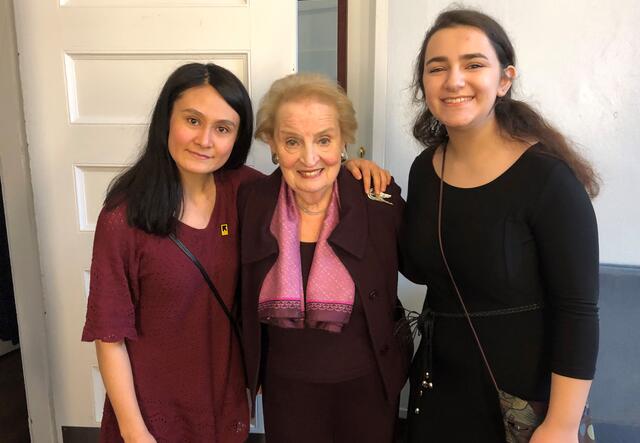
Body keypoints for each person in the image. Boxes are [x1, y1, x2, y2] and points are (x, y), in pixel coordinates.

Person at [81, 63, 387, 443]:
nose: (205, 140)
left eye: (222, 128)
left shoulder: (246, 193)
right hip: (152, 409)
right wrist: (133, 430)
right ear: (166, 121)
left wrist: (351, 168)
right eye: (192, 120)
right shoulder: (124, 218)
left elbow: (309, 178)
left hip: (225, 403)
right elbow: (109, 334)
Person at [401, 9, 599, 443]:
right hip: (437, 388)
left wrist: (562, 426)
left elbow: (578, 311)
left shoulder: (547, 179)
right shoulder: (423, 169)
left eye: (473, 64)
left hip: (521, 402)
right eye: (438, 68)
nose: (454, 80)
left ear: (504, 79)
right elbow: (420, 269)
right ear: (425, 84)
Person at [238, 73, 412, 443]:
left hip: (369, 385)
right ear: (271, 142)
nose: (309, 157)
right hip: (286, 389)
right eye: (291, 141)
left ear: (344, 140)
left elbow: (423, 265)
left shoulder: (378, 199)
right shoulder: (251, 203)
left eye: (324, 139)